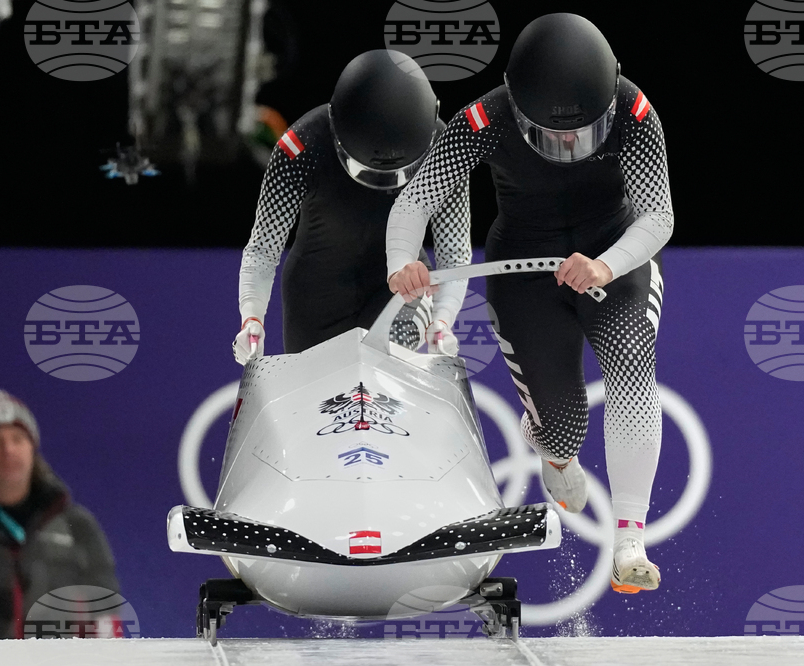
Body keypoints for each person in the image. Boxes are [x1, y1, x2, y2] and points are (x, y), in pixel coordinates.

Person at [386, 14, 673, 594]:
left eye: (583, 133)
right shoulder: (482, 120)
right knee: (563, 429)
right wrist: (402, 263)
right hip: (523, 269)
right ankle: (556, 454)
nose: (568, 146)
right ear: (519, 108)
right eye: (550, 134)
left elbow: (658, 216)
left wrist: (605, 264)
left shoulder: (635, 110)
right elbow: (414, 203)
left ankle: (629, 540)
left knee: (630, 362)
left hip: (612, 257)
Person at [233, 49, 471, 363]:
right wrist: (252, 317)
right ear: (337, 132)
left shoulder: (446, 150)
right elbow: (263, 247)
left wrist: (442, 320)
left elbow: (454, 249)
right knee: (319, 400)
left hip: (400, 286)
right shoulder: (298, 149)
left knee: (383, 366)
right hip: (316, 296)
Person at [0, 390, 120, 639]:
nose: (8, 450)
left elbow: (107, 620)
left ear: (32, 448)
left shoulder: (77, 526)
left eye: (17, 438)